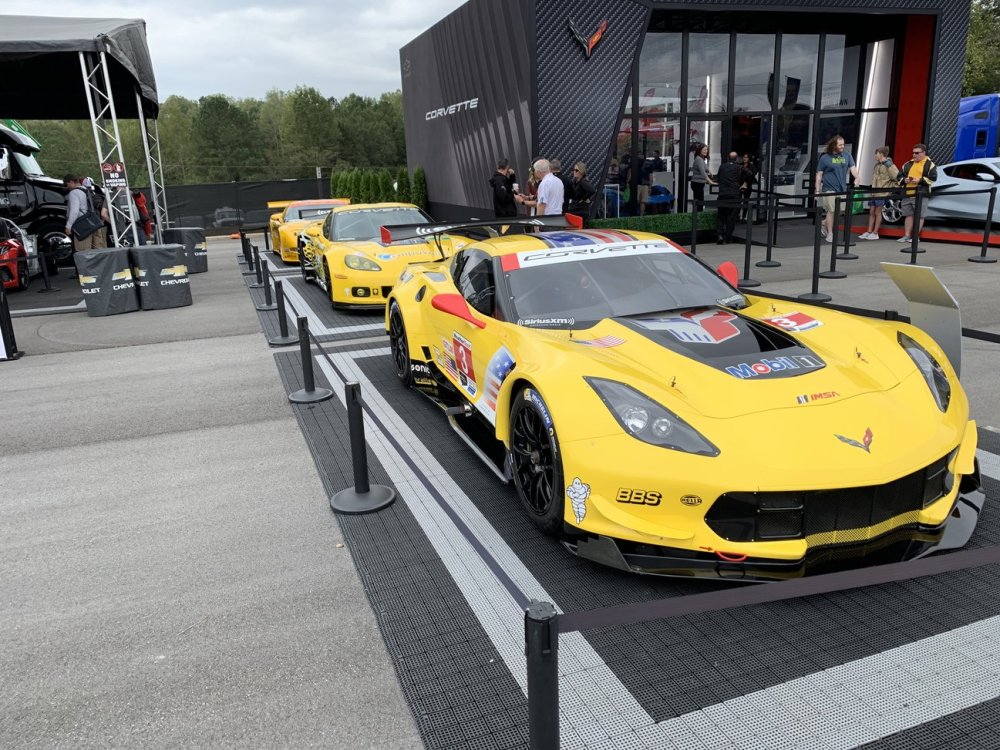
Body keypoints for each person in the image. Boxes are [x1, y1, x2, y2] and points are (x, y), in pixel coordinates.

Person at [815, 134, 859, 243]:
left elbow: (853, 168)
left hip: (842, 188)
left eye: (843, 144)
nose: (842, 147)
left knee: (840, 210)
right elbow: (819, 175)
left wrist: (857, 178)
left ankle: (824, 223)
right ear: (834, 145)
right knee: (831, 210)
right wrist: (817, 190)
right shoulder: (825, 158)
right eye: (840, 145)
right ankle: (830, 233)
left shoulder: (847, 156)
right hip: (828, 188)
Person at [896, 143, 938, 243]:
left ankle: (915, 237)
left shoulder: (929, 164)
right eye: (913, 153)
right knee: (908, 215)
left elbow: (933, 178)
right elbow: (898, 176)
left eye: (917, 153)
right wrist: (903, 180)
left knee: (919, 216)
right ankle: (906, 236)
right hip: (908, 193)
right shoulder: (908, 164)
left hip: (921, 194)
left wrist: (919, 180)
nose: (914, 155)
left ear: (923, 153)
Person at [63, 175, 106, 268]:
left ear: (71, 182)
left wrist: (68, 225)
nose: (67, 187)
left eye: (67, 185)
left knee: (84, 252)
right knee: (98, 249)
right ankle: (101, 270)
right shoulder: (89, 190)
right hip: (95, 223)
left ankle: (89, 274)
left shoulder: (74, 193)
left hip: (83, 226)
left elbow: (74, 211)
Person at [859, 146, 899, 240]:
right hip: (874, 192)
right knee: (872, 211)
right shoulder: (877, 165)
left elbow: (896, 177)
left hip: (882, 193)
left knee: (877, 212)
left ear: (881, 154)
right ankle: (869, 231)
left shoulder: (889, 165)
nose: (875, 155)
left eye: (876, 153)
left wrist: (889, 188)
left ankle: (875, 232)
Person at [715, 152, 742, 244]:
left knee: (721, 216)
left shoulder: (722, 167)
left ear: (728, 158)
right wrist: (743, 184)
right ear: (736, 159)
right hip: (734, 194)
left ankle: (720, 235)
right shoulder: (738, 167)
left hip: (723, 194)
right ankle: (728, 237)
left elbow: (718, 178)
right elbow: (749, 174)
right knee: (731, 217)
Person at [567, 161, 596, 226]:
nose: (574, 171)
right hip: (574, 210)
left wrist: (584, 198)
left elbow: (592, 190)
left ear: (581, 171)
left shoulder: (583, 182)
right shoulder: (575, 181)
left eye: (576, 170)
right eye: (573, 170)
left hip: (580, 211)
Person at [689, 143, 715, 208]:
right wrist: (710, 181)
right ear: (700, 150)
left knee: (699, 202)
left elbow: (705, 168)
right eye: (704, 150)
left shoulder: (701, 159)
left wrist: (709, 171)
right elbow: (703, 172)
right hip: (697, 183)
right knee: (699, 203)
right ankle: (696, 217)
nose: (706, 151)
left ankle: (697, 216)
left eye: (706, 150)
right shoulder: (699, 159)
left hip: (699, 183)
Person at [738, 154, 757, 221]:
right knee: (738, 201)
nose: (744, 158)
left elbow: (752, 175)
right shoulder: (739, 165)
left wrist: (745, 182)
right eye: (744, 157)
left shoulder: (752, 167)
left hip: (748, 186)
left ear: (749, 158)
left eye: (746, 157)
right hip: (739, 185)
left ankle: (743, 217)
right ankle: (737, 215)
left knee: (746, 201)